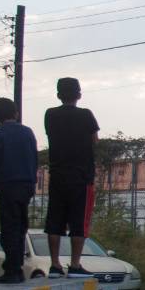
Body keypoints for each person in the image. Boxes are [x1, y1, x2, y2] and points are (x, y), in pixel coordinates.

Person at [43, 77, 99, 277]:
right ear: (79, 95)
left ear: (58, 95)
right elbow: (94, 140)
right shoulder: (86, 115)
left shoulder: (50, 115)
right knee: (79, 221)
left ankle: (55, 264)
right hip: (81, 176)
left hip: (57, 174)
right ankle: (75, 264)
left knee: (55, 220)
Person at [0, 97, 38, 284]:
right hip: (26, 185)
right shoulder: (27, 132)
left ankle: (12, 270)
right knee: (21, 226)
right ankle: (17, 267)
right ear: (16, 113)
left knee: (9, 228)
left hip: (8, 185)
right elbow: (34, 159)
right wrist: (31, 183)